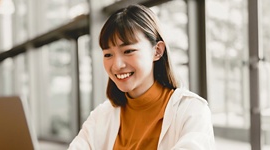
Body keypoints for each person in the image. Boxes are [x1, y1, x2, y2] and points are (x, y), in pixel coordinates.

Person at [68, 4, 215, 150]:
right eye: (108, 54)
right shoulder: (101, 116)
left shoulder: (192, 110)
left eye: (128, 51)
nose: (117, 65)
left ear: (157, 51)